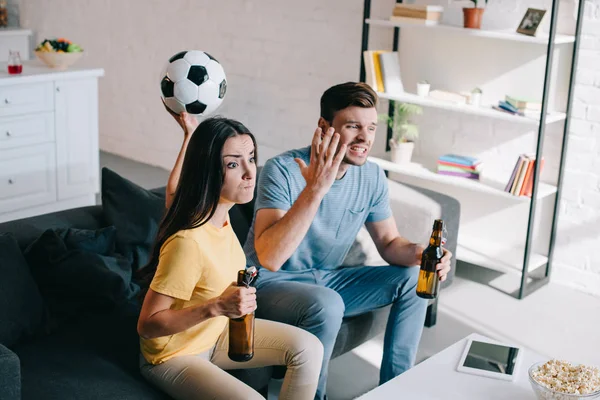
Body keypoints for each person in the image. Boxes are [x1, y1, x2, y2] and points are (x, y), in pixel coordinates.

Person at [242, 82, 452, 399]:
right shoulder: (283, 170)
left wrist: (423, 255)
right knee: (328, 302)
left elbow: (390, 243)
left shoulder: (371, 176)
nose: (365, 138)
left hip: (327, 279)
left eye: (371, 127)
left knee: (412, 278)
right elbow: (270, 256)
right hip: (269, 281)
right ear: (324, 127)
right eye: (353, 126)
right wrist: (315, 189)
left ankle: (395, 390)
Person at [135, 112, 323, 400]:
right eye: (234, 164)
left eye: (251, 157)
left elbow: (174, 189)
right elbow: (147, 325)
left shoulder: (219, 217)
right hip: (174, 355)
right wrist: (217, 307)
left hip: (214, 334)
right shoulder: (188, 241)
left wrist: (190, 137)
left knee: (309, 349)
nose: (250, 172)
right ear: (208, 172)